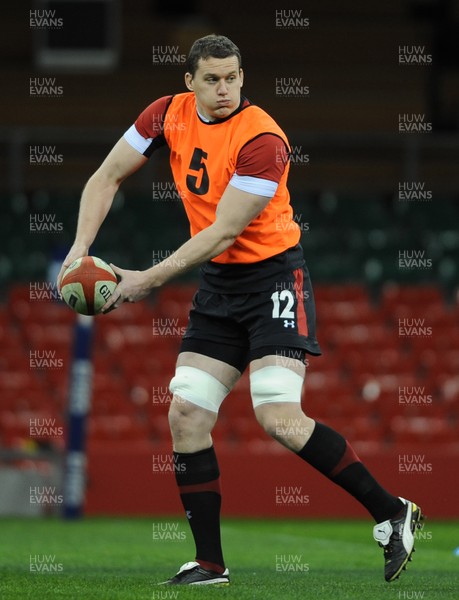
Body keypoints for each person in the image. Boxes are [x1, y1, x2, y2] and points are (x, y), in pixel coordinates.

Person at [57, 34, 423, 586]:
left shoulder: (264, 140)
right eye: (212, 79)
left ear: (242, 77)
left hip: (274, 277)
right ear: (189, 83)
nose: (224, 88)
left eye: (232, 77)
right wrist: (78, 253)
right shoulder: (165, 115)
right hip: (220, 288)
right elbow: (104, 177)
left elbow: (225, 231)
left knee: (277, 414)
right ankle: (209, 564)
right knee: (186, 414)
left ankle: (393, 512)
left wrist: (144, 281)